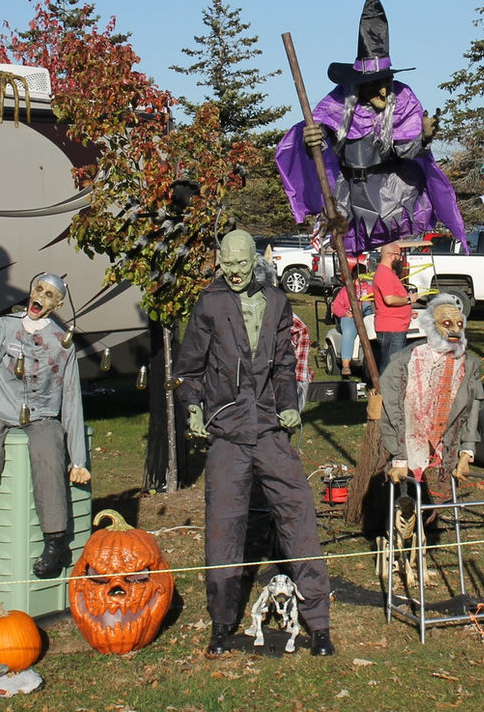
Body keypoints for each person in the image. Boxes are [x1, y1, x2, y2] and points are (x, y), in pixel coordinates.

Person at [173, 230, 335, 658]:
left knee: (298, 510)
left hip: (268, 429)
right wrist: (192, 409)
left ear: (254, 262)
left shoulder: (278, 302)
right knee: (224, 525)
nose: (236, 271)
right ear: (219, 261)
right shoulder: (209, 303)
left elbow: (284, 363)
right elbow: (188, 370)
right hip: (227, 430)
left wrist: (289, 405)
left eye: (242, 263)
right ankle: (222, 623)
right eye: (228, 263)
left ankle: (318, 622)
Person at [274, 0, 465, 254]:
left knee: (391, 248)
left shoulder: (403, 100)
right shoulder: (338, 104)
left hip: (393, 193)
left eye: (386, 82)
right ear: (360, 86)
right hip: (350, 193)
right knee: (344, 246)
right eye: (376, 84)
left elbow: (406, 149)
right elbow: (317, 137)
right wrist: (309, 138)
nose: (384, 92)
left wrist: (423, 137)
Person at [0, 272, 90, 583]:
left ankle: (55, 544)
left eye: (50, 294)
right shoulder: (4, 328)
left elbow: (72, 401)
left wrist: (78, 460)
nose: (41, 297)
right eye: (38, 288)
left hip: (41, 415)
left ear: (58, 303)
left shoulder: (62, 343)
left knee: (49, 453)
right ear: (30, 290)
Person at [378, 293, 484, 503]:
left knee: (435, 502)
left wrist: (467, 451)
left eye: (459, 323)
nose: (455, 330)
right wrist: (399, 456)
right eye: (447, 323)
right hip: (407, 444)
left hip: (445, 447)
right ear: (431, 326)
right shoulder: (404, 363)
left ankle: (426, 521)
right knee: (405, 499)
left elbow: (472, 410)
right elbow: (391, 410)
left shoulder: (469, 365)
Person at [373, 242, 416, 375]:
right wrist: (409, 299)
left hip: (396, 326)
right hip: (391, 328)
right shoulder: (384, 274)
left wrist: (408, 311)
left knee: (394, 365)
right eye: (399, 255)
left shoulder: (389, 273)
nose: (401, 259)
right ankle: (385, 394)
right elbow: (390, 299)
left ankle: (389, 393)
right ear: (391, 255)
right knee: (390, 366)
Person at [331, 262, 372, 379]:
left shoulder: (369, 288)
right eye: (361, 274)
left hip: (367, 317)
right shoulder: (346, 290)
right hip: (350, 317)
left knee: (367, 304)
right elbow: (336, 306)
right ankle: (345, 365)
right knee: (348, 333)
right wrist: (345, 313)